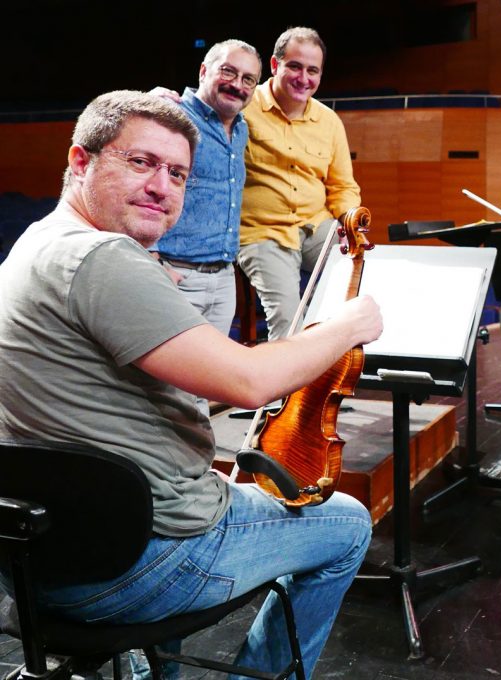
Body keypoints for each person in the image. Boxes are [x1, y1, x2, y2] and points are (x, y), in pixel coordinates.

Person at [0, 91, 382, 675]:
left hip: (43, 558)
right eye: (141, 162)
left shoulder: (36, 242)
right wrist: (348, 325)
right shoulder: (103, 259)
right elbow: (249, 383)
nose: (162, 186)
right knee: (349, 523)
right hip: (141, 564)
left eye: (178, 174)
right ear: (80, 161)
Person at [237, 26, 360, 341]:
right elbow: (199, 112)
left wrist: (350, 224)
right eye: (294, 66)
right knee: (288, 321)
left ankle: (331, 361)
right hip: (262, 231)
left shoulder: (329, 121)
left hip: (317, 226)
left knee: (361, 283)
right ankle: (290, 373)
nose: (303, 78)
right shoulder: (242, 107)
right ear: (275, 65)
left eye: (312, 70)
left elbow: (343, 186)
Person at [150, 39, 261, 336]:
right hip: (175, 274)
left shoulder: (241, 127)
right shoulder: (170, 115)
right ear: (203, 71)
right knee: (165, 367)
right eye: (228, 71)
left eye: (248, 79)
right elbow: (139, 186)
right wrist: (152, 261)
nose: (237, 84)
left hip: (223, 279)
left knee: (210, 366)